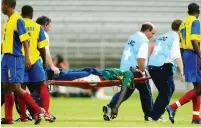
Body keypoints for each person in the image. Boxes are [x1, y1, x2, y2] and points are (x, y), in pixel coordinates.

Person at [1, 0, 44, 125]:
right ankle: (8, 118)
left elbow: (25, 41)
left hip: (15, 57)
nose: (1, 7)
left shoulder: (17, 20)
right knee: (6, 86)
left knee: (16, 88)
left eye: (2, 5)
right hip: (6, 57)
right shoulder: (8, 21)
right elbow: (7, 42)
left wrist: (27, 58)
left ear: (8, 5)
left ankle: (37, 110)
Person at [103, 22, 156, 121]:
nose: (152, 36)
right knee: (146, 92)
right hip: (136, 71)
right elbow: (141, 59)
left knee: (125, 92)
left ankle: (110, 106)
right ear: (147, 31)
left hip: (125, 69)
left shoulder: (133, 37)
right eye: (152, 33)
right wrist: (143, 73)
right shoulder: (143, 40)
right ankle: (149, 115)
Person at [16, 5, 54, 122]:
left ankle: (23, 117)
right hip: (35, 61)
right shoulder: (37, 27)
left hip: (21, 60)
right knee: (43, 85)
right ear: (32, 15)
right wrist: (44, 62)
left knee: (21, 88)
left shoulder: (17, 25)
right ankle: (46, 113)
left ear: (22, 14)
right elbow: (42, 47)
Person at [166, 3, 201, 124]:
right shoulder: (195, 22)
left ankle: (196, 118)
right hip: (194, 54)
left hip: (186, 54)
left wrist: (183, 58)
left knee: (197, 87)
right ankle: (173, 107)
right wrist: (200, 56)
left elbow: (180, 44)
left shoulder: (183, 24)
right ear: (198, 12)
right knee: (199, 88)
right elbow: (194, 39)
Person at [147, 20, 184, 121]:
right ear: (181, 28)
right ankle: (154, 116)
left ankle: (155, 114)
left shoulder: (163, 36)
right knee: (166, 92)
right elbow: (176, 55)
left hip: (152, 65)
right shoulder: (175, 37)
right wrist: (182, 71)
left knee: (168, 90)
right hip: (162, 66)